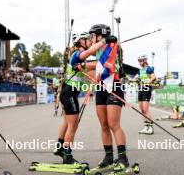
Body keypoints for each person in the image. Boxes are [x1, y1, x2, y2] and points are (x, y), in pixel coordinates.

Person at [54, 31, 116, 164]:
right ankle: (67, 156)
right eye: (88, 40)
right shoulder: (77, 54)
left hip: (68, 93)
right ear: (82, 42)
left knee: (67, 122)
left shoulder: (80, 59)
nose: (90, 42)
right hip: (69, 94)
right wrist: (105, 41)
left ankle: (59, 148)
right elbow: (89, 52)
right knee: (73, 125)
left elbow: (95, 66)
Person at [88, 24, 130, 171]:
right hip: (101, 88)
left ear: (100, 36)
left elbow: (105, 63)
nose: (90, 39)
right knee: (104, 125)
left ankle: (123, 159)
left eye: (92, 36)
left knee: (114, 124)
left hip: (114, 86)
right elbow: (88, 55)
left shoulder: (112, 47)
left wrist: (111, 41)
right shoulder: (97, 51)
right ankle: (108, 157)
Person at [131, 55, 156, 135]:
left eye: (141, 61)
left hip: (146, 89)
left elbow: (153, 77)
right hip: (140, 89)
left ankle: (151, 128)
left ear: (145, 60)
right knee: (142, 110)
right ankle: (146, 127)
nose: (140, 62)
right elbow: (135, 78)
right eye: (139, 61)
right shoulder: (140, 70)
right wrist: (131, 80)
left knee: (146, 109)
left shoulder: (149, 68)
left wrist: (148, 81)